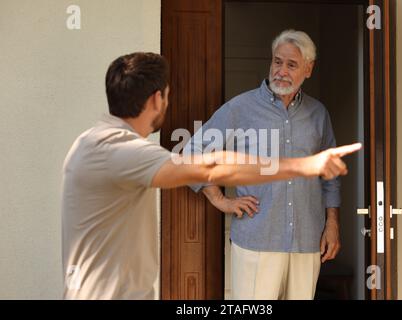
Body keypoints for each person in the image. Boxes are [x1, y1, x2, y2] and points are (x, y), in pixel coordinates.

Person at [61, 52, 360, 300]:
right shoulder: (119, 150)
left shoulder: (98, 143)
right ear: (156, 100)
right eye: (167, 95)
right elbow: (210, 165)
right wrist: (304, 166)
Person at [186, 30, 343, 300]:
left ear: (308, 68)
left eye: (291, 64)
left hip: (307, 240)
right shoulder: (240, 108)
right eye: (277, 61)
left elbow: (330, 174)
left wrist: (332, 224)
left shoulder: (318, 114)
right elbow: (192, 152)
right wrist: (221, 200)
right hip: (257, 238)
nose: (281, 70)